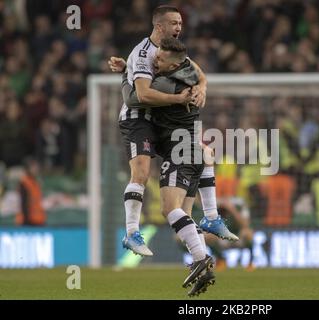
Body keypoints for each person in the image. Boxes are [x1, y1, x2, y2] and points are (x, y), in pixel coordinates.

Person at [108, 5, 237, 257]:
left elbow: (200, 74)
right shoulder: (144, 53)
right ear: (159, 26)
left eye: (180, 23)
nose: (179, 27)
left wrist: (202, 88)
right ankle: (132, 233)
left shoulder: (172, 52)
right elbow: (141, 96)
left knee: (203, 153)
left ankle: (211, 219)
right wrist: (178, 99)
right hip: (138, 119)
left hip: (160, 122)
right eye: (174, 23)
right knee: (142, 172)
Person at [122, 37, 215, 297]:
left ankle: (201, 256)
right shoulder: (186, 75)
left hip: (179, 150)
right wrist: (204, 84)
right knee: (179, 213)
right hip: (189, 150)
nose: (155, 60)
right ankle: (204, 243)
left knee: (169, 208)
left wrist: (125, 74)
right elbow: (196, 70)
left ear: (173, 67)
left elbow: (137, 96)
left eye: (161, 59)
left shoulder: (165, 83)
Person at [16, 157, 46, 226]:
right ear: (27, 169)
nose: (36, 169)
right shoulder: (24, 183)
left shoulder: (35, 182)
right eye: (33, 167)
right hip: (28, 222)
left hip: (38, 220)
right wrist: (26, 222)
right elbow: (24, 204)